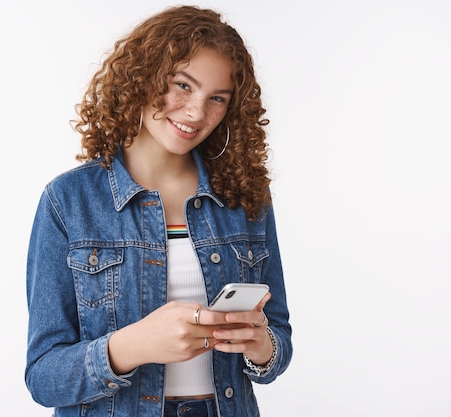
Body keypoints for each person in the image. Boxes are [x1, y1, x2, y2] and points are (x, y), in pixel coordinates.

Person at [25, 5, 292, 417]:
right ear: (143, 75)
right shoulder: (69, 201)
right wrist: (134, 345)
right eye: (183, 85)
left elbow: (279, 342)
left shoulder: (245, 197)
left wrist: (262, 346)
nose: (196, 112)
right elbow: (43, 376)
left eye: (216, 98)